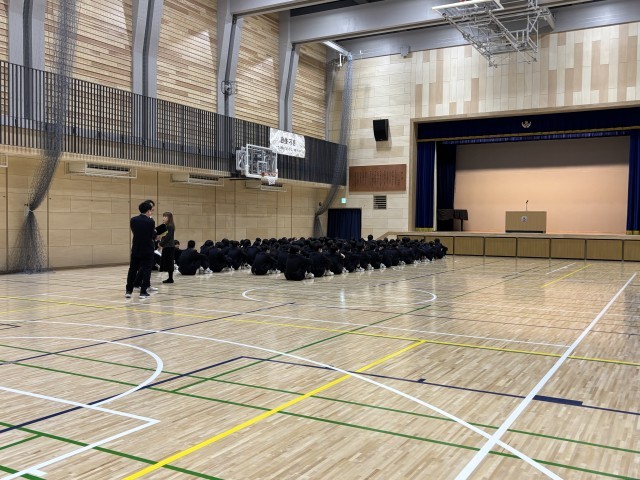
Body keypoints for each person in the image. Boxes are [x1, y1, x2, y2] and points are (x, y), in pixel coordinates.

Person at [125, 201, 155, 299]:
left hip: (136, 248)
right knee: (146, 270)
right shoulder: (150, 221)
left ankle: (128, 291)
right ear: (148, 211)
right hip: (147, 249)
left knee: (132, 269)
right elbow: (151, 235)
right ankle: (143, 292)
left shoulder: (133, 220)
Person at [159, 212, 176, 283]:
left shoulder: (170, 226)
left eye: (165, 217)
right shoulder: (166, 225)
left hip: (169, 246)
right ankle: (170, 278)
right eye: (163, 216)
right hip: (167, 246)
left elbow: (168, 237)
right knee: (168, 262)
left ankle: (170, 278)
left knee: (169, 262)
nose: (164, 218)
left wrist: (161, 244)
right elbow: (162, 236)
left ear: (169, 218)